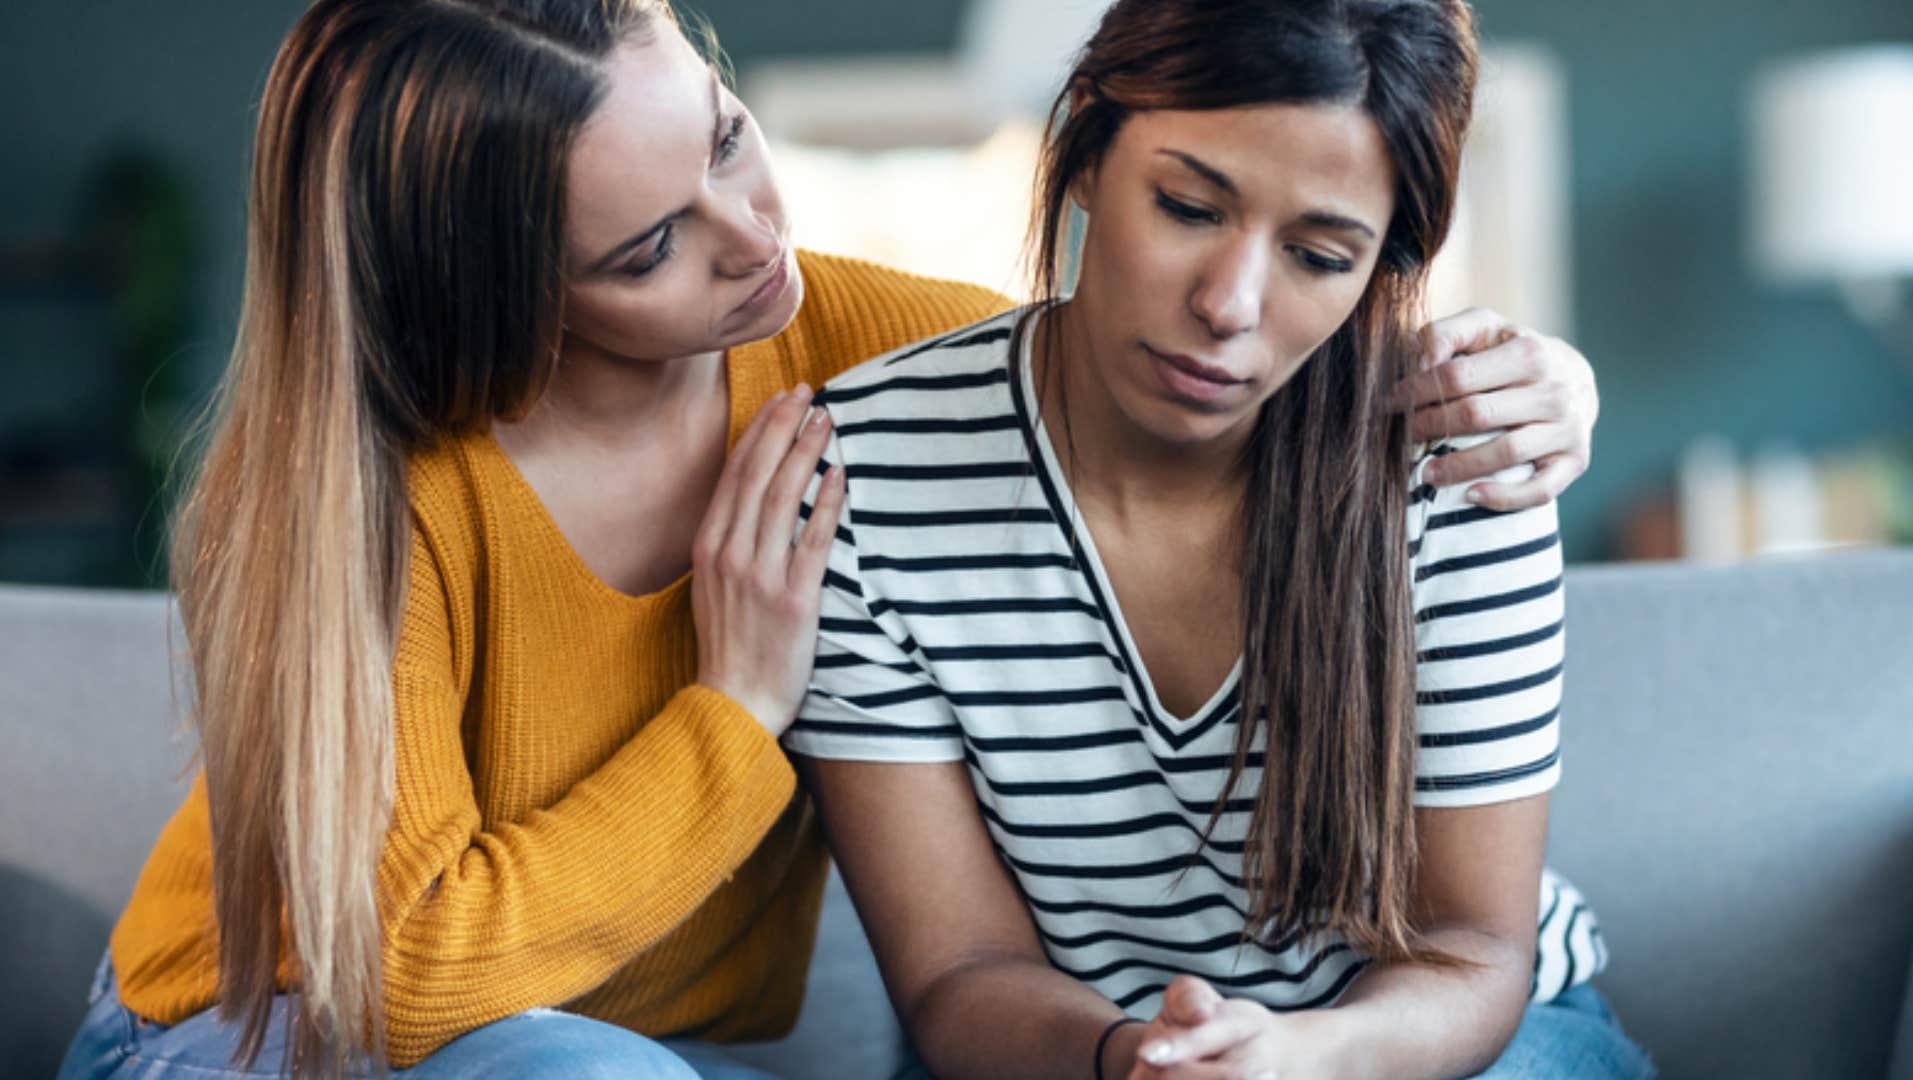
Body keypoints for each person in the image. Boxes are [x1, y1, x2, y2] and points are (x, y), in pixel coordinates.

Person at [58, 0, 1603, 1076]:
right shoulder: (376, 480)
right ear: (501, 293)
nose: (756, 243)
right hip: (270, 1041)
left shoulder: (838, 345)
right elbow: (408, 985)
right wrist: (731, 714)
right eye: (652, 245)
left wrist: (1548, 388)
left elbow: (1138, 374)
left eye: (726, 141)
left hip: (644, 1050)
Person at [787, 1, 1652, 1078]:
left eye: (1319, 255)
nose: (1230, 305)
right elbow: (958, 970)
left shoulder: (1460, 458)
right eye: (1189, 207)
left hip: (1444, 1049)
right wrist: (1142, 1062)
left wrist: (1295, 1061)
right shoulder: (866, 473)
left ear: (1384, 262)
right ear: (1088, 150)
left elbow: (1471, 949)